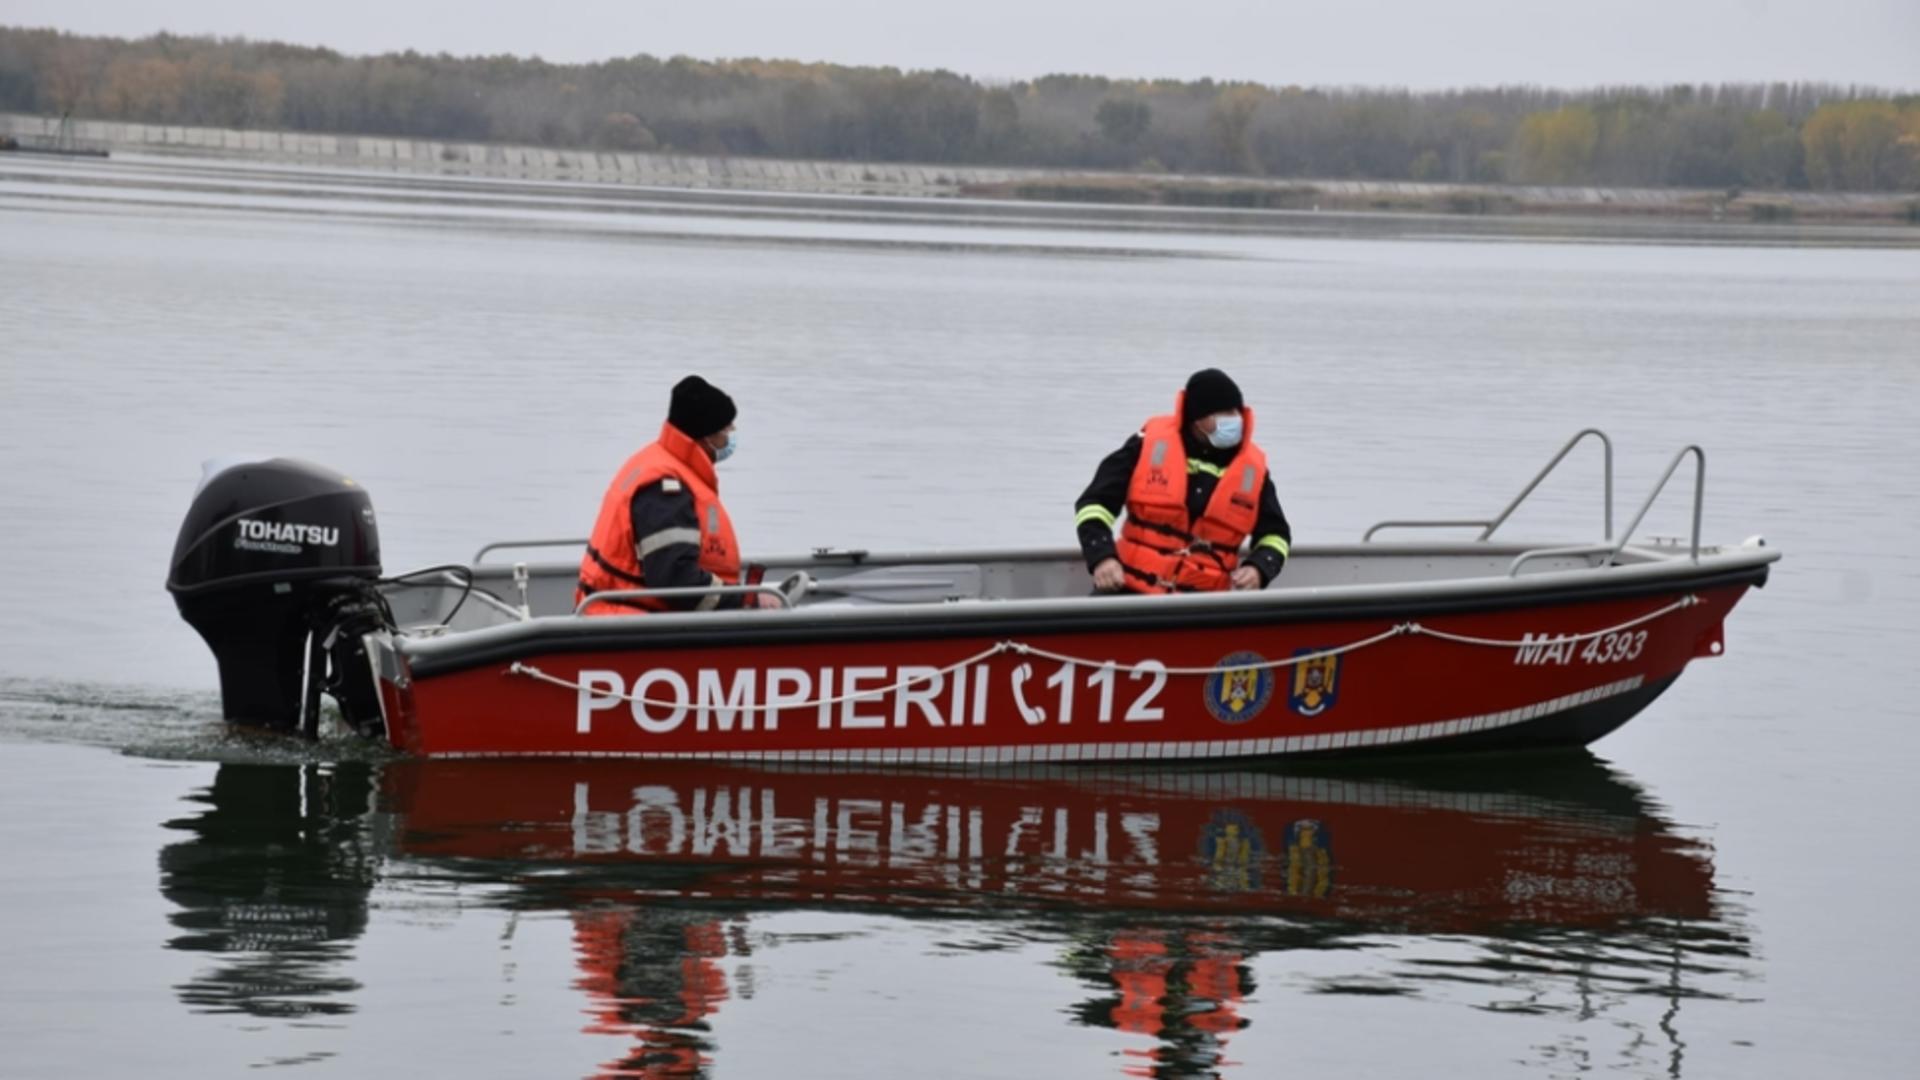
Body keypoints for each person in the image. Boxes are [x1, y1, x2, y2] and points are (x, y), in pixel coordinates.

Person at [1074, 369, 1291, 595]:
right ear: (1197, 419)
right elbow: (1094, 506)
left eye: (1236, 412)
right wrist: (1102, 558)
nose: (1234, 420)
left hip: (1205, 604)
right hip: (1128, 591)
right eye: (1223, 413)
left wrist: (1259, 568)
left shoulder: (1253, 472)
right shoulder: (1146, 446)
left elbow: (1276, 536)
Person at [576, 375, 773, 614]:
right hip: (631, 622)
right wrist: (743, 601)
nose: (731, 436)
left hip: (630, 615)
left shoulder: (659, 463)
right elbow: (676, 581)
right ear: (706, 435)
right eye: (726, 429)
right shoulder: (665, 487)